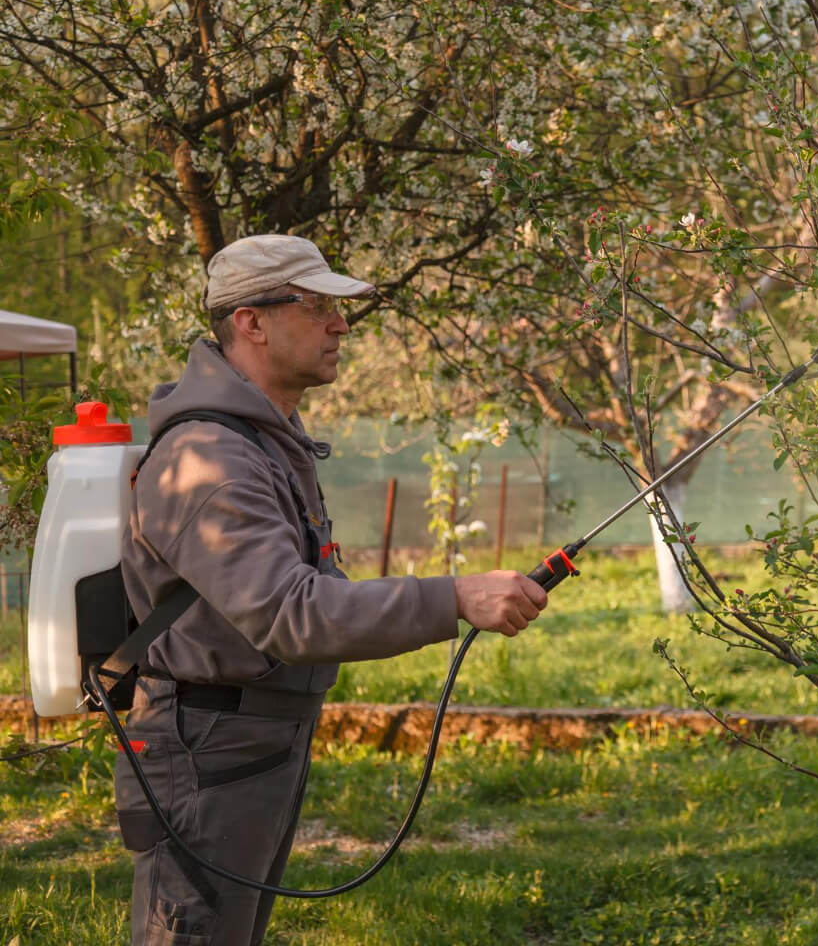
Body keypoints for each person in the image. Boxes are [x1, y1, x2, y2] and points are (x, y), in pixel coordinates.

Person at [113, 233, 548, 945]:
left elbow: (313, 590)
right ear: (250, 322)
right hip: (207, 749)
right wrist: (454, 597)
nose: (341, 325)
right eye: (316, 306)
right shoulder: (210, 457)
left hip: (248, 740)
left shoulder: (265, 440)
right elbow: (292, 613)